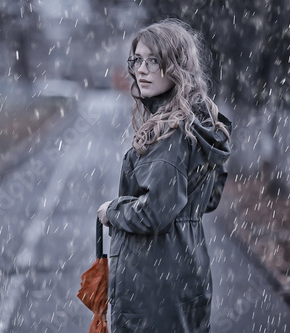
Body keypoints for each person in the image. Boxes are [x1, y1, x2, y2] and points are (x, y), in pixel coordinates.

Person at [97, 18, 231, 332]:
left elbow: (154, 214)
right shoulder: (200, 127)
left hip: (154, 285)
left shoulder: (169, 136)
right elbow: (208, 200)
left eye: (153, 60)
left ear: (176, 66)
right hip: (187, 270)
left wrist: (112, 211)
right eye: (137, 60)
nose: (140, 69)